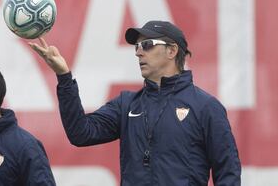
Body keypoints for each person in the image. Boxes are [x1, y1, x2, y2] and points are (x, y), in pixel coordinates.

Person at [29, 20, 241, 185]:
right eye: (137, 46)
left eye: (147, 45)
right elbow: (81, 133)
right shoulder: (127, 104)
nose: (139, 51)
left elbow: (228, 172)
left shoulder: (206, 107)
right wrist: (64, 77)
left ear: (172, 50)